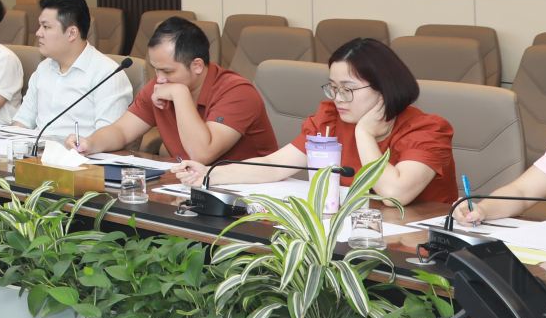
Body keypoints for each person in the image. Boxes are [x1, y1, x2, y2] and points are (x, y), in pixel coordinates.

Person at [175, 37, 458, 206]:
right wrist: (209, 174)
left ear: (384, 88)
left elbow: (394, 194)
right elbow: (274, 166)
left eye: (348, 89)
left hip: (414, 247)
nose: (338, 98)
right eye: (333, 87)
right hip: (349, 233)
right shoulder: (331, 118)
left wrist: (364, 134)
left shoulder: (428, 130)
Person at [70, 16, 279, 165]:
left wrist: (180, 95)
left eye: (168, 71)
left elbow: (201, 154)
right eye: (155, 68)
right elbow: (122, 131)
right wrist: (90, 143)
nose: (159, 78)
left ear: (197, 65)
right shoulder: (161, 85)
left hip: (248, 195)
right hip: (189, 185)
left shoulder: (237, 92)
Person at [8, 0, 133, 145]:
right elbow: (22, 122)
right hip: (36, 154)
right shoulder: (44, 68)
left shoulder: (107, 74)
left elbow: (109, 138)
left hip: (81, 156)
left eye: (46, 27)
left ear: (72, 33)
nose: (38, 33)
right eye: (40, 26)